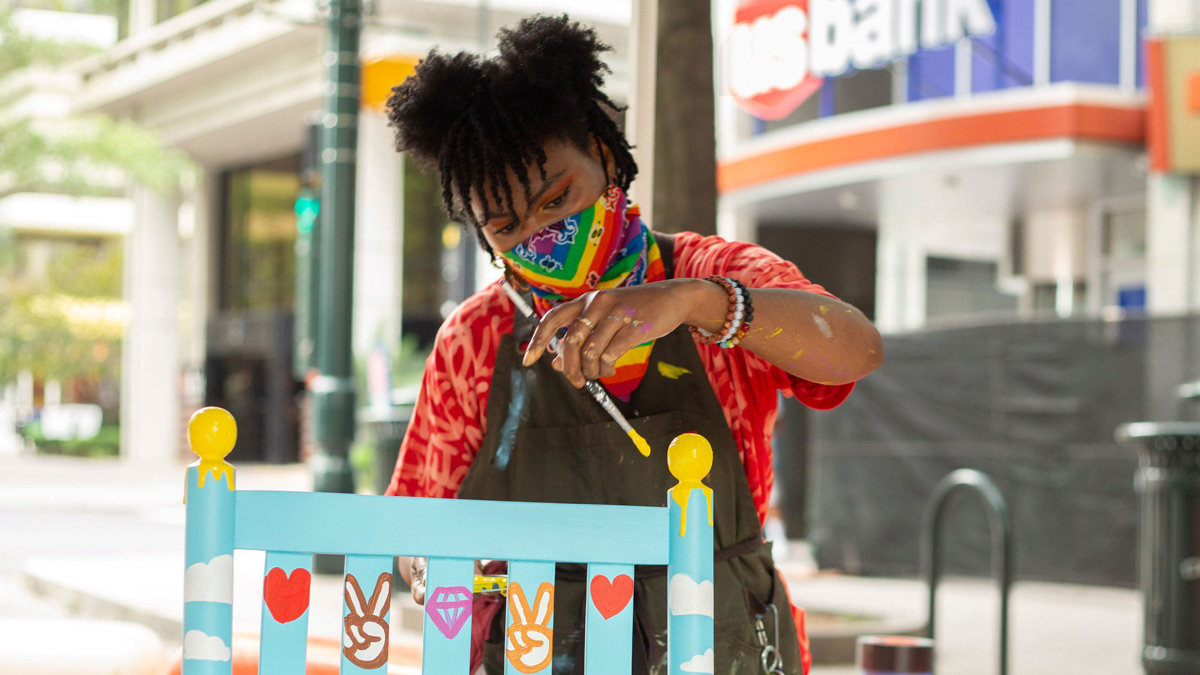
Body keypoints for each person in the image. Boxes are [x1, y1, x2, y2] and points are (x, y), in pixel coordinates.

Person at [383, 14, 883, 675]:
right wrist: (443, 572)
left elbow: (855, 349)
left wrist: (699, 303)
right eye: (508, 226)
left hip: (721, 645)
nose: (543, 232)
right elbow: (413, 529)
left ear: (603, 152)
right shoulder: (474, 341)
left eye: (558, 197)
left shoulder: (714, 272)